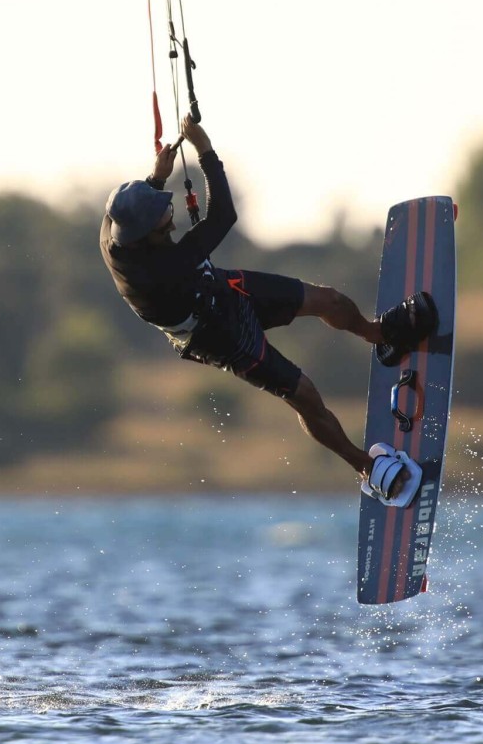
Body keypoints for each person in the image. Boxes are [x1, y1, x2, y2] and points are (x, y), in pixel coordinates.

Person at [99, 117, 436, 503]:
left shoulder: (114, 227)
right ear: (147, 236)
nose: (170, 209)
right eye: (163, 213)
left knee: (327, 299)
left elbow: (138, 205)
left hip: (221, 289)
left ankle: (379, 335)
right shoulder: (158, 270)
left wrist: (155, 179)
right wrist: (205, 149)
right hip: (216, 336)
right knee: (304, 394)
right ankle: (366, 467)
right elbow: (223, 215)